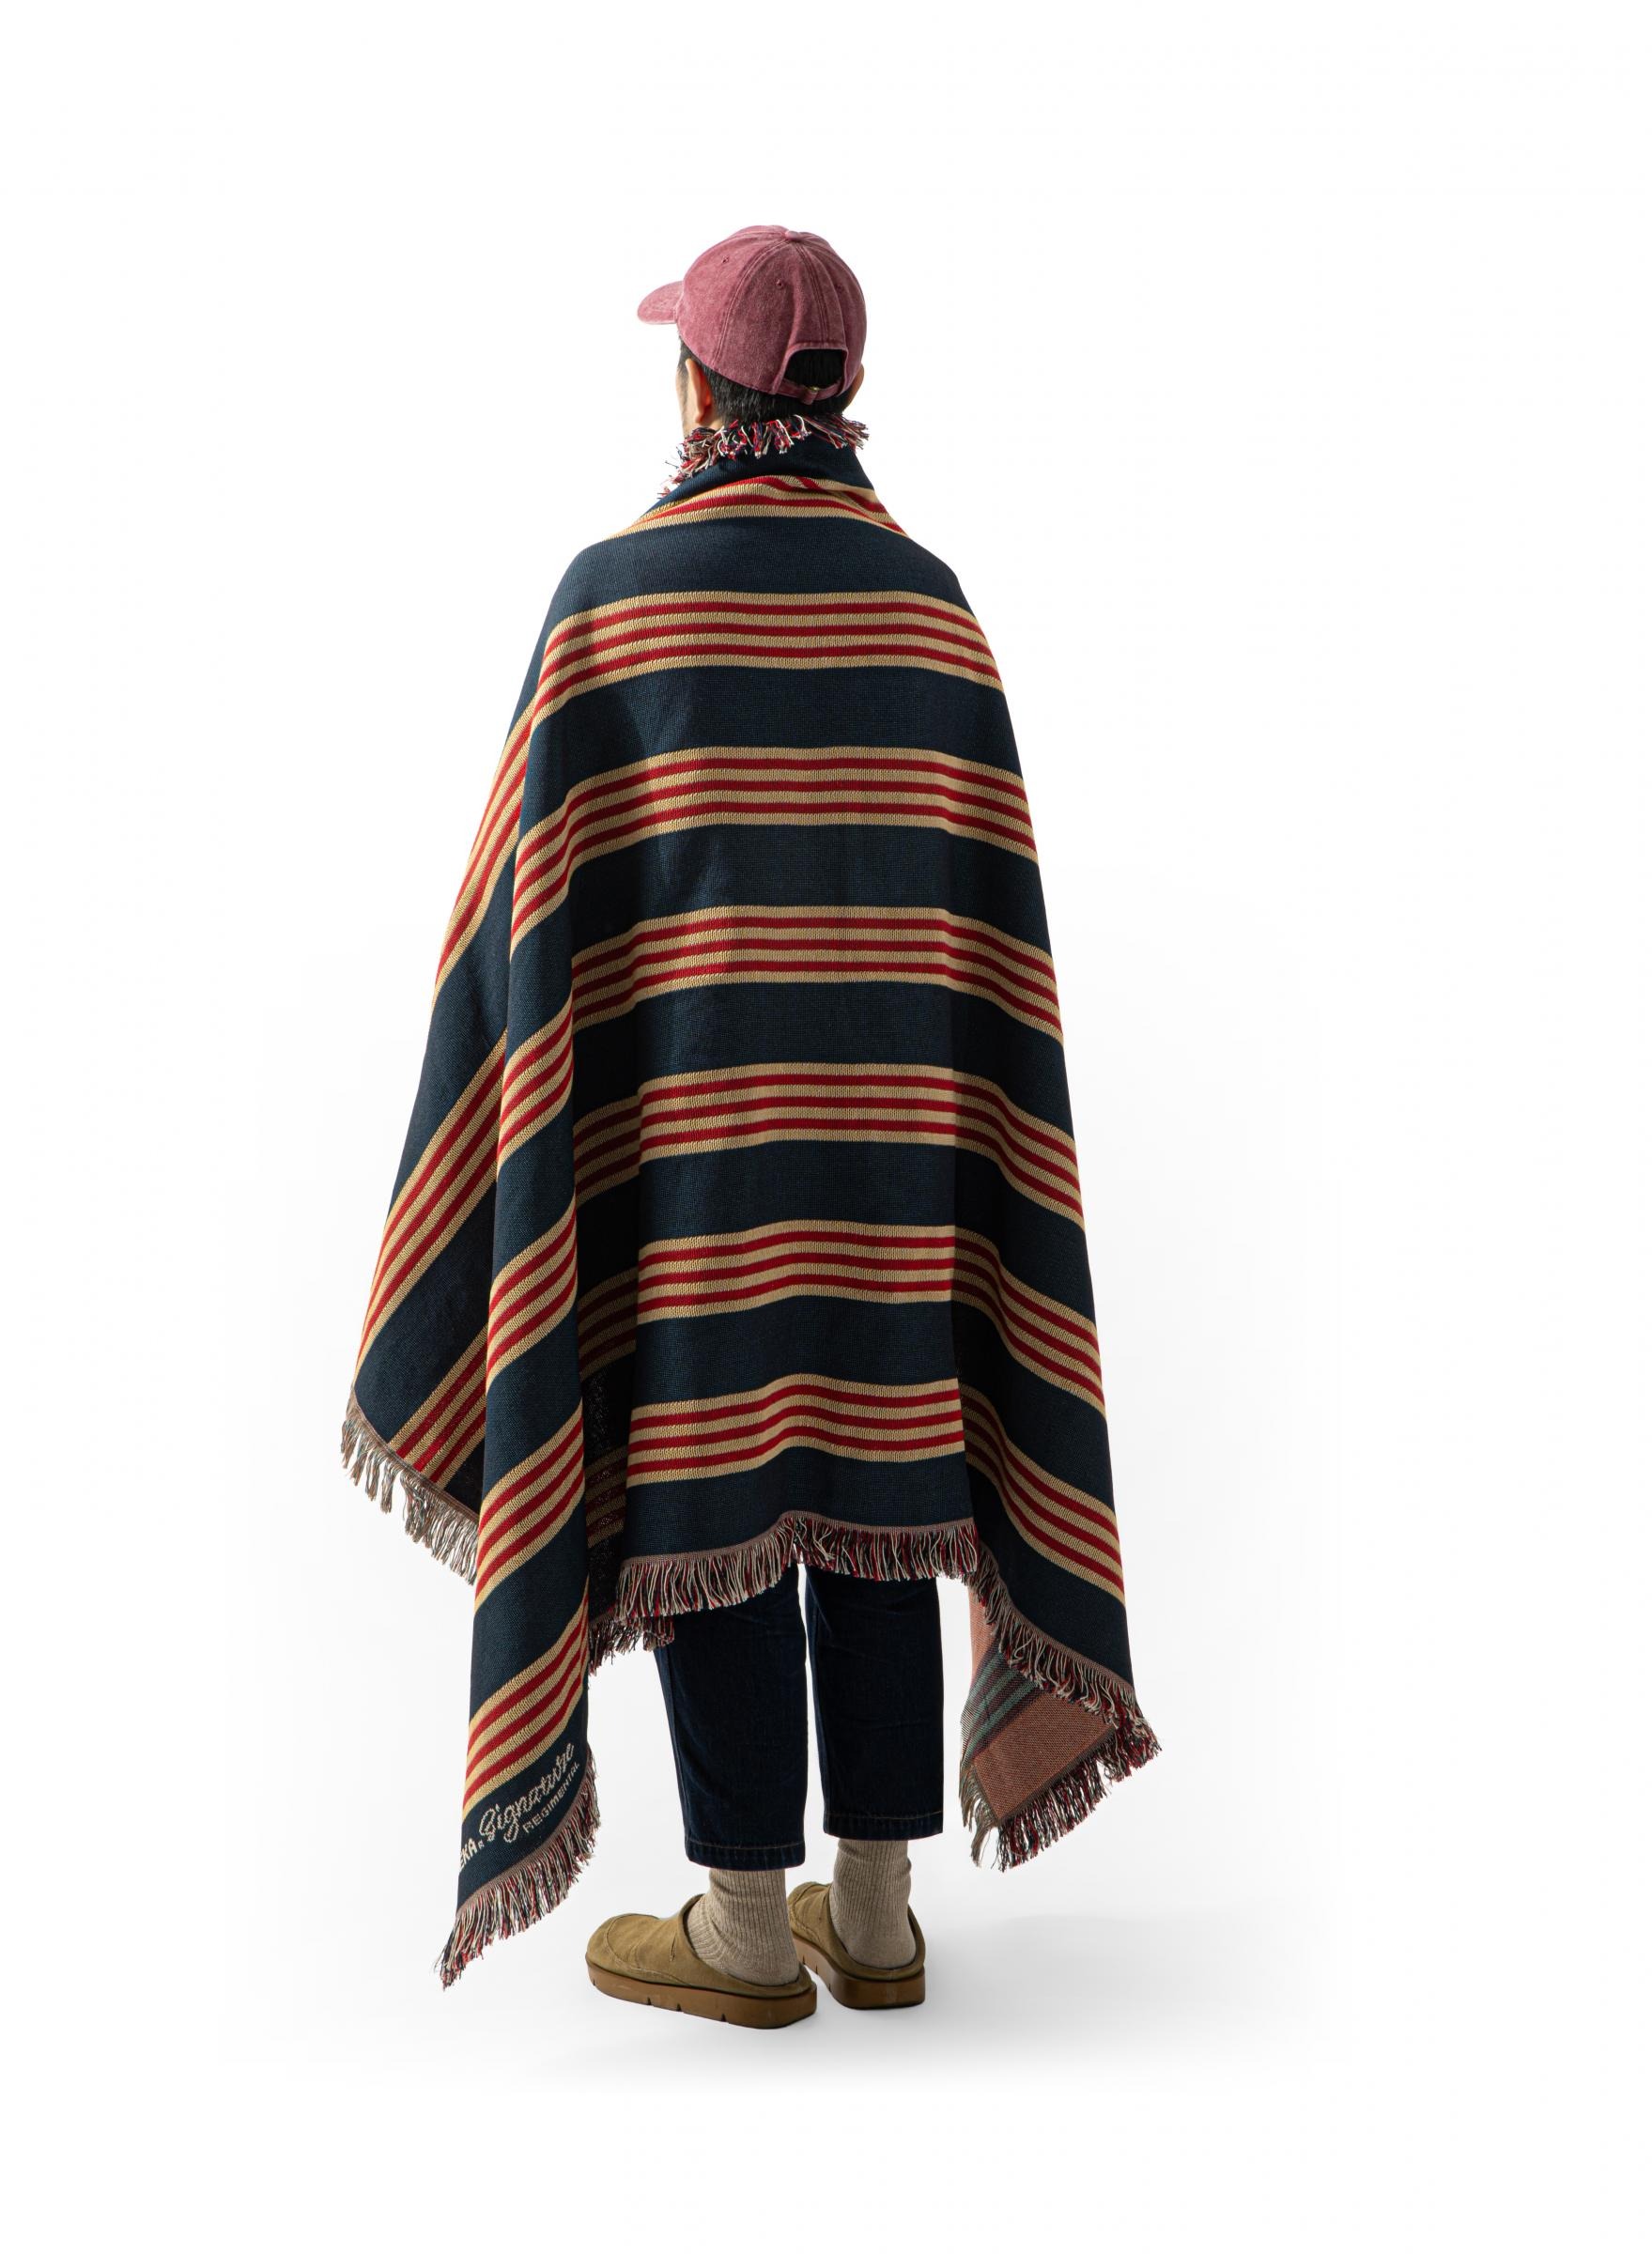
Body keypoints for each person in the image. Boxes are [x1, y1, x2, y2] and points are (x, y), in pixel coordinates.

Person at [341, 225, 1157, 2028]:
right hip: (900, 1172)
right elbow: (987, 955)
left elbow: (520, 933)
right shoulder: (933, 610)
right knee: (879, 1467)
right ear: (844, 393)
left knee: (707, 1450)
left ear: (695, 387)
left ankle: (739, 1924)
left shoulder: (613, 602)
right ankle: (876, 1912)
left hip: (695, 1163)